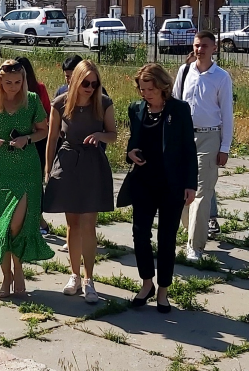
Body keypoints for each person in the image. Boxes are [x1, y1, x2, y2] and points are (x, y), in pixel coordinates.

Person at [0, 60, 53, 299]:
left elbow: (43, 130)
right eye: (8, 83)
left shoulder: (32, 101)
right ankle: (7, 275)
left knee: (17, 223)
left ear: (24, 81)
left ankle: (19, 269)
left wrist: (27, 138)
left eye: (17, 82)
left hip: (26, 168)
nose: (13, 87)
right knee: (1, 226)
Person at [117, 64, 197, 313]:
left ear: (163, 86)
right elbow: (133, 142)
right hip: (143, 182)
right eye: (142, 89)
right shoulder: (136, 109)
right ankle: (146, 283)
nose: (146, 93)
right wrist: (130, 153)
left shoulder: (180, 110)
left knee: (166, 238)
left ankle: (163, 290)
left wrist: (190, 184)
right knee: (140, 234)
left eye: (150, 89)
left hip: (171, 183)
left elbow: (188, 150)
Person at [43, 60, 117, 304]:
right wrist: (47, 169)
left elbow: (113, 134)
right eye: (85, 83)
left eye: (95, 84)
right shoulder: (60, 103)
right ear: (75, 80)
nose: (90, 87)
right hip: (67, 162)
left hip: (93, 164)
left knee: (88, 224)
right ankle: (74, 275)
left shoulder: (103, 103)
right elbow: (52, 137)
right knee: (72, 223)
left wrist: (100, 135)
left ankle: (89, 279)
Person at [173, 30, 234, 260]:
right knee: (182, 189)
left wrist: (224, 147)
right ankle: (190, 231)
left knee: (202, 192)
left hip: (210, 138)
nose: (200, 49)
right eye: (197, 45)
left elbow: (227, 114)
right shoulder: (185, 71)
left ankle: (195, 246)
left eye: (205, 46)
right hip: (183, 138)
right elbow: (175, 103)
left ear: (214, 48)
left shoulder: (221, 77)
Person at [14, 57, 52, 235]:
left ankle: (38, 219)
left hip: (36, 140)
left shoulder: (39, 89)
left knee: (34, 183)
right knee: (17, 183)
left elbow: (46, 116)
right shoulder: (8, 92)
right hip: (15, 142)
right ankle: (33, 221)